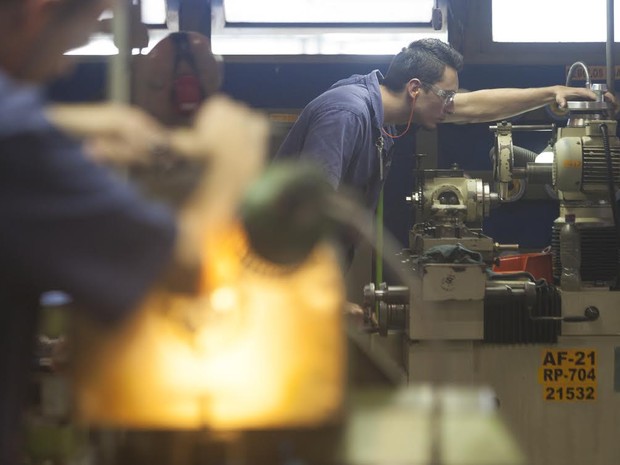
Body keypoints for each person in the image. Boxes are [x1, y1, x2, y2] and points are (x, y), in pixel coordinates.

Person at [0, 0, 267, 463]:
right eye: (79, 37)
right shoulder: (19, 139)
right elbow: (187, 263)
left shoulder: (21, 127)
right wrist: (233, 162)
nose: (67, 65)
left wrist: (64, 125)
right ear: (35, 13)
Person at [274, 38, 608, 212]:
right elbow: (307, 208)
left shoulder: (385, 111)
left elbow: (475, 106)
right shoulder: (347, 114)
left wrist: (551, 92)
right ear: (415, 88)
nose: (451, 104)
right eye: (446, 95)